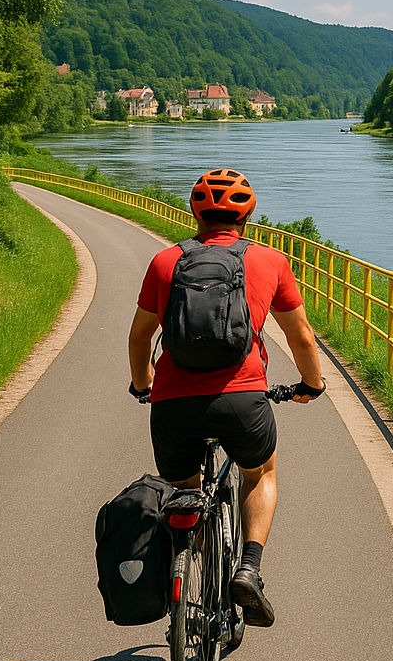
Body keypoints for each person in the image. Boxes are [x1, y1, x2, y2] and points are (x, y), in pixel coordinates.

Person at [127, 168, 325, 627]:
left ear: (195, 212)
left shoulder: (165, 262)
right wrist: (311, 385)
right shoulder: (270, 262)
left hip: (174, 406)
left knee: (183, 491)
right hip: (243, 401)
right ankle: (249, 569)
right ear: (249, 216)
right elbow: (303, 340)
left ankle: (187, 563)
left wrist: (144, 386)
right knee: (259, 474)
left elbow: (140, 338)